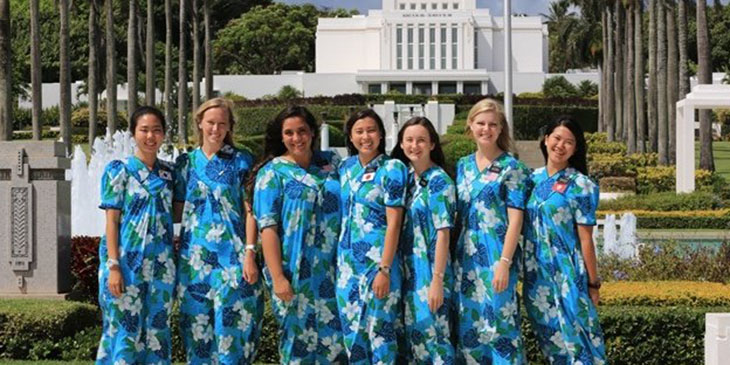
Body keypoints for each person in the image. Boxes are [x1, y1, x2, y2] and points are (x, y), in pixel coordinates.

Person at [251, 105, 347, 363]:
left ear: (313, 133)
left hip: (334, 272)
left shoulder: (331, 164)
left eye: (302, 131)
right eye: (289, 133)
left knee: (334, 345)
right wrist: (278, 277)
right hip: (294, 273)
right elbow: (267, 229)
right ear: (281, 137)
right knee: (297, 348)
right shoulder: (271, 174)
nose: (297, 138)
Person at [174, 98, 263, 364]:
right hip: (194, 261)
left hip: (233, 259)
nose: (215, 128)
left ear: (229, 128)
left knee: (232, 331)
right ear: (200, 123)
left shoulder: (241, 161)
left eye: (222, 124)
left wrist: (250, 252)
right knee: (197, 333)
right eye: (210, 122)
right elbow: (176, 212)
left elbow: (250, 212)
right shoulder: (185, 163)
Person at [522, 116, 606, 364]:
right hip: (536, 276)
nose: (561, 145)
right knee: (551, 342)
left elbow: (586, 239)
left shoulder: (581, 185)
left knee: (578, 340)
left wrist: (593, 283)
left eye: (569, 142)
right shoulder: (530, 180)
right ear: (546, 139)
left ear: (576, 148)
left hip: (567, 274)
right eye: (557, 138)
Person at [96, 106, 176, 364]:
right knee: (124, 331)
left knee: (157, 332)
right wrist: (114, 265)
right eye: (144, 130)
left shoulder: (169, 174)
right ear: (133, 134)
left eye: (156, 130)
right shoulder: (119, 170)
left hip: (162, 266)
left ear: (164, 134)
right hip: (126, 263)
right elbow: (112, 221)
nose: (150, 136)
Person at [453, 98, 531, 364]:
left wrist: (505, 263)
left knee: (500, 328)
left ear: (501, 129)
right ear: (470, 125)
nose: (486, 129)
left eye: (492, 124)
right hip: (466, 262)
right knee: (470, 330)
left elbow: (516, 220)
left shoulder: (513, 168)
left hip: (498, 257)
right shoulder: (463, 166)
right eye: (481, 123)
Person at [336, 109, 408, 364]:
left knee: (381, 334)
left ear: (381, 134)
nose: (365, 137)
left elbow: (394, 223)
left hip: (378, 264)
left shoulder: (392, 168)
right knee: (352, 336)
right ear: (351, 136)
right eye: (359, 131)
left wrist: (385, 269)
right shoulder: (344, 168)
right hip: (347, 267)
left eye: (371, 130)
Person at [390, 117, 456, 364]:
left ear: (432, 144)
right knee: (413, 339)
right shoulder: (404, 178)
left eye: (421, 140)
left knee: (434, 337)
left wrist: (437, 280)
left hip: (430, 270)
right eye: (409, 140)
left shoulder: (439, 182)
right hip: (407, 272)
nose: (414, 145)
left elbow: (443, 234)